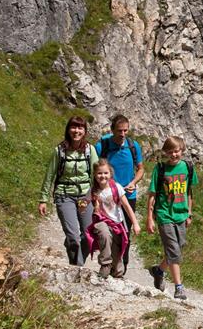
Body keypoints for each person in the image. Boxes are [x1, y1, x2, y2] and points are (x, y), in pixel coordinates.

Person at [39, 116, 98, 266]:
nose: (76, 131)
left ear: (85, 131)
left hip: (85, 196)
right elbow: (50, 175)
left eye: (80, 128)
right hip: (64, 195)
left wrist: (98, 196)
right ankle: (77, 267)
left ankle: (76, 258)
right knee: (73, 236)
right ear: (68, 130)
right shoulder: (59, 151)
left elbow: (97, 175)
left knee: (89, 234)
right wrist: (43, 199)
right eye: (73, 127)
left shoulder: (89, 150)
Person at [146, 135, 198, 300]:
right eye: (170, 152)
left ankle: (159, 270)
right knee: (174, 251)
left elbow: (188, 192)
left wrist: (189, 213)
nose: (174, 155)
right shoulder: (160, 169)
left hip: (181, 214)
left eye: (177, 151)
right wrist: (150, 218)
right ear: (165, 153)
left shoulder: (188, 167)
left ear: (182, 150)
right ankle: (179, 287)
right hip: (164, 215)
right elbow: (152, 194)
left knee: (178, 247)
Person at [95, 115, 144, 270]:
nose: (123, 134)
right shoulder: (102, 146)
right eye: (119, 130)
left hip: (128, 195)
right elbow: (95, 169)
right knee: (107, 230)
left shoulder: (133, 146)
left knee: (125, 232)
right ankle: (108, 263)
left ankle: (122, 266)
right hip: (108, 196)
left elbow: (141, 169)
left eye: (125, 130)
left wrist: (133, 182)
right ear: (112, 130)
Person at [85, 158, 140, 278]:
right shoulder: (93, 190)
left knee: (118, 266)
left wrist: (135, 223)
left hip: (116, 225)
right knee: (103, 232)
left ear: (110, 173)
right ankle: (105, 264)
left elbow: (127, 206)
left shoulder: (116, 187)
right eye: (99, 173)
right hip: (102, 222)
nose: (102, 176)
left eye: (105, 173)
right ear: (94, 175)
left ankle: (116, 272)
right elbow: (84, 203)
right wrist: (82, 205)